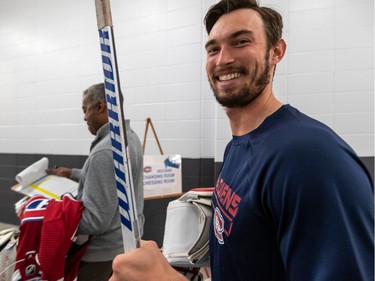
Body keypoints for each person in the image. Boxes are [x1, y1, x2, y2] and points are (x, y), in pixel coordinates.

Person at [109, 0, 374, 280]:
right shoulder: (238, 146)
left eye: (241, 42)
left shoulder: (310, 158)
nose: (223, 59)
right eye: (213, 48)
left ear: (276, 52)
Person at [47, 83, 145, 281]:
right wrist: (71, 173)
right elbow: (114, 178)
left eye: (85, 109)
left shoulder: (105, 150)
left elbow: (95, 221)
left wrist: (49, 216)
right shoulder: (128, 138)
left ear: (100, 107)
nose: (84, 117)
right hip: (123, 245)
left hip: (101, 256)